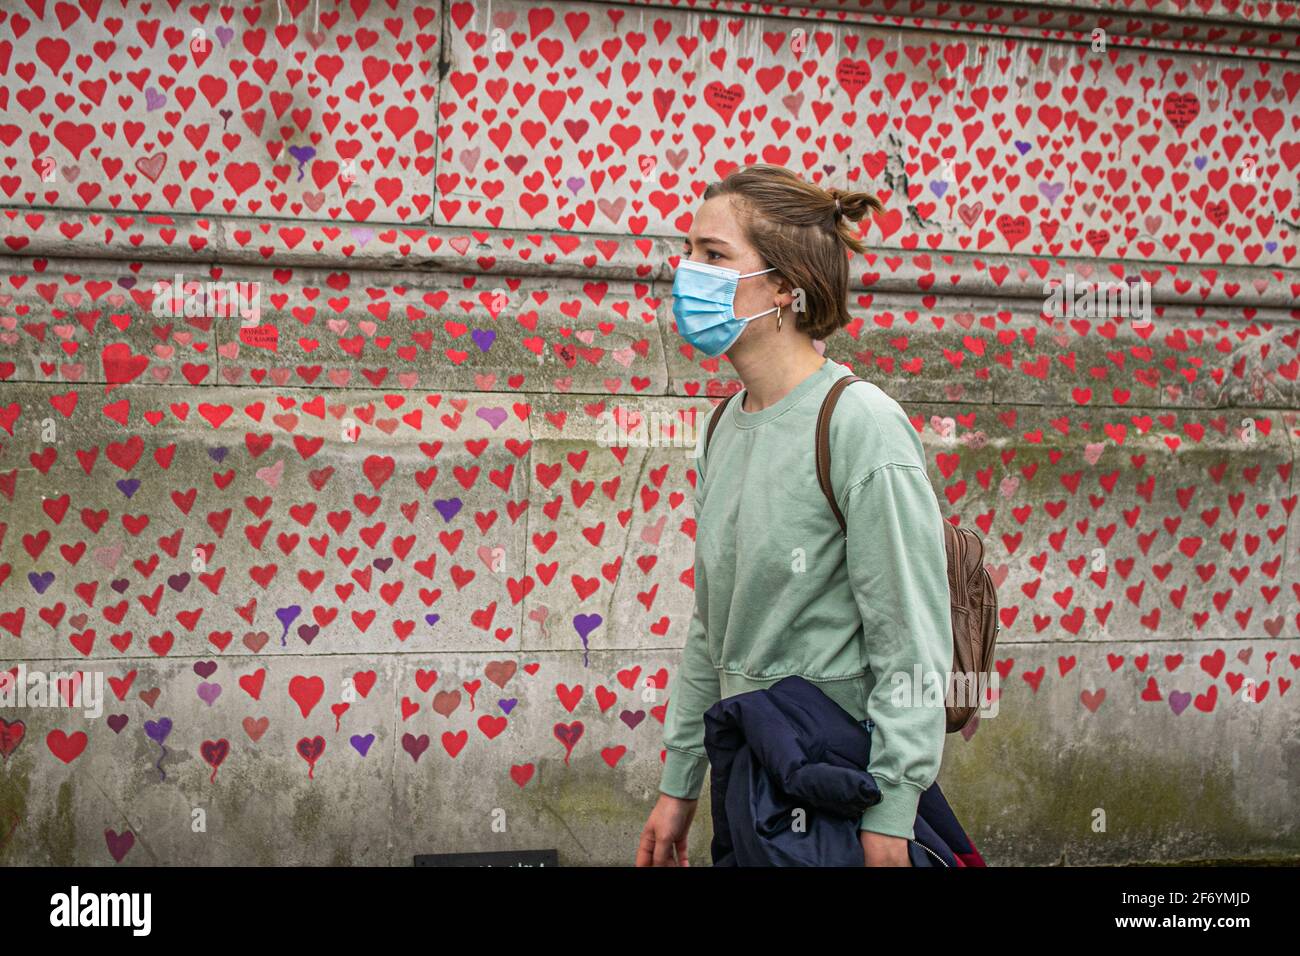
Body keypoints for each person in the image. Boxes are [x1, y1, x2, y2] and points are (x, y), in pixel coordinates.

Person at [635, 164, 954, 867]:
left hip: (838, 788)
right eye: (689, 251)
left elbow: (911, 640)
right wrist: (679, 782)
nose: (688, 272)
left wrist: (892, 816)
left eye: (714, 256)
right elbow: (711, 626)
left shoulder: (858, 423)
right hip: (748, 777)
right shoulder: (723, 425)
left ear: (785, 286)